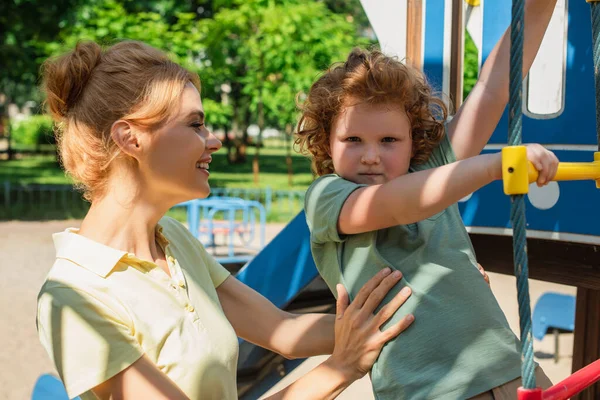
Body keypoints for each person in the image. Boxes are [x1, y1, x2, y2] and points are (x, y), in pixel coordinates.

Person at [35, 40, 417, 400]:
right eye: (194, 124)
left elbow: (280, 330)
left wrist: (417, 313)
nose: (214, 140)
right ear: (132, 139)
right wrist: (341, 368)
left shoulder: (173, 240)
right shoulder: (74, 297)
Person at [295, 0, 559, 399]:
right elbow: (401, 203)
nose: (370, 155)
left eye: (389, 140)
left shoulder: (431, 169)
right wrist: (494, 167)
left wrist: (538, 10)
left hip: (513, 373)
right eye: (353, 140)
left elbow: (491, 90)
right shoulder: (327, 197)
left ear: (413, 142)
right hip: (429, 391)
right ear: (327, 143)